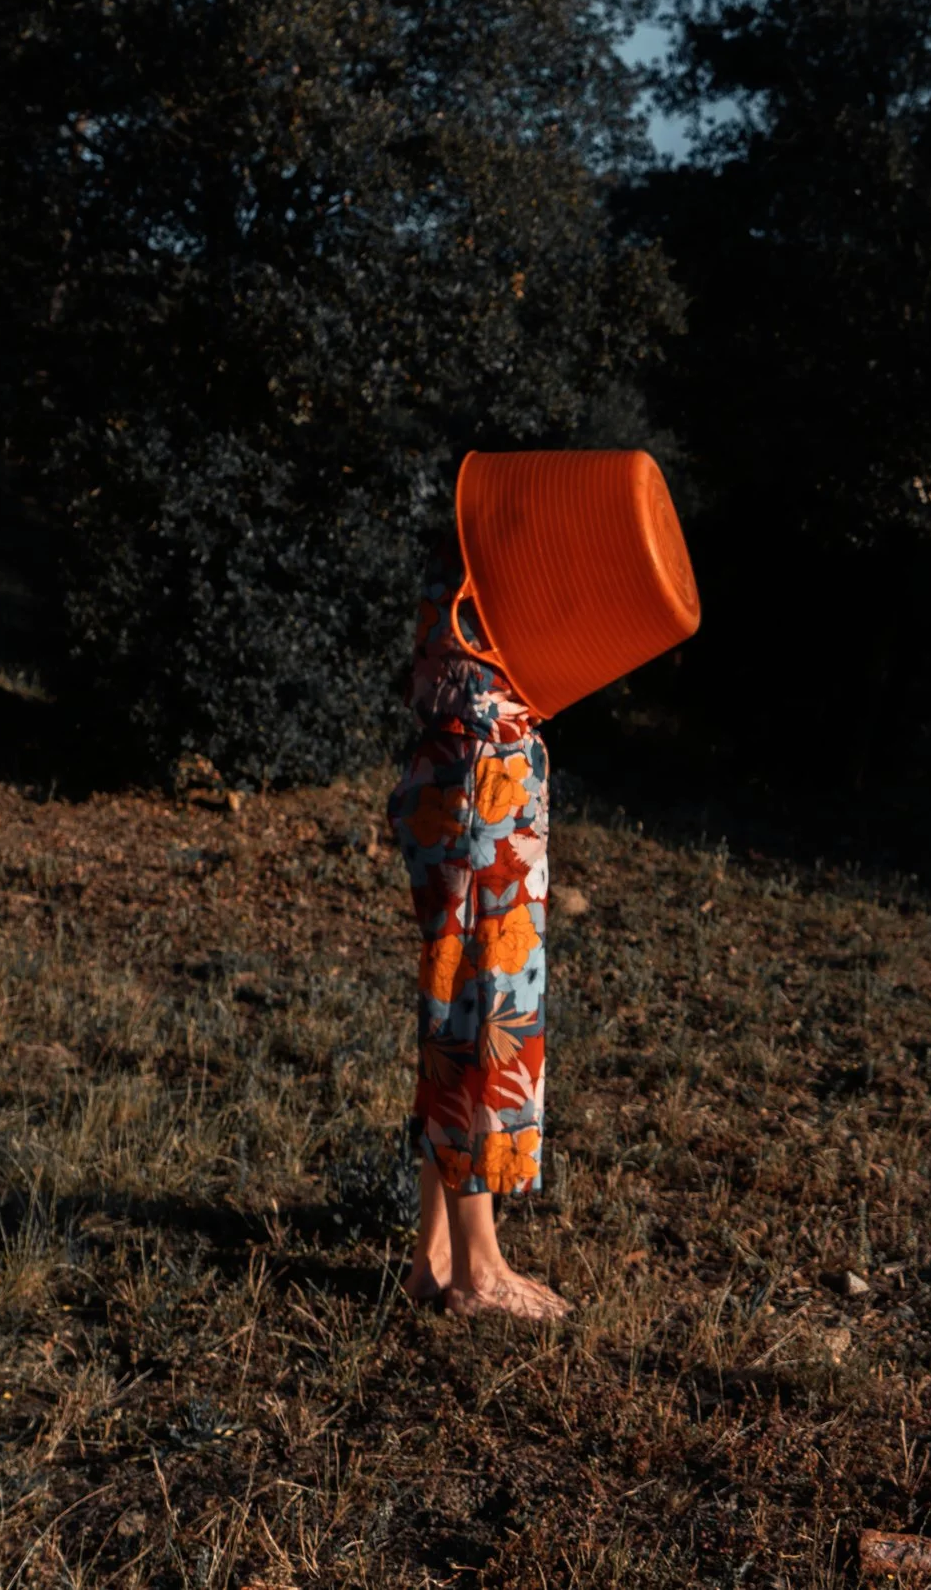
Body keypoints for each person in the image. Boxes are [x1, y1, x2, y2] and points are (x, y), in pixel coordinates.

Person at [384, 534, 570, 1320]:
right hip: (483, 775)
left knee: (459, 1006)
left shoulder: (469, 548)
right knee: (481, 1013)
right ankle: (477, 1268)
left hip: (467, 767)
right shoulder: (503, 551)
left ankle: (434, 1255)